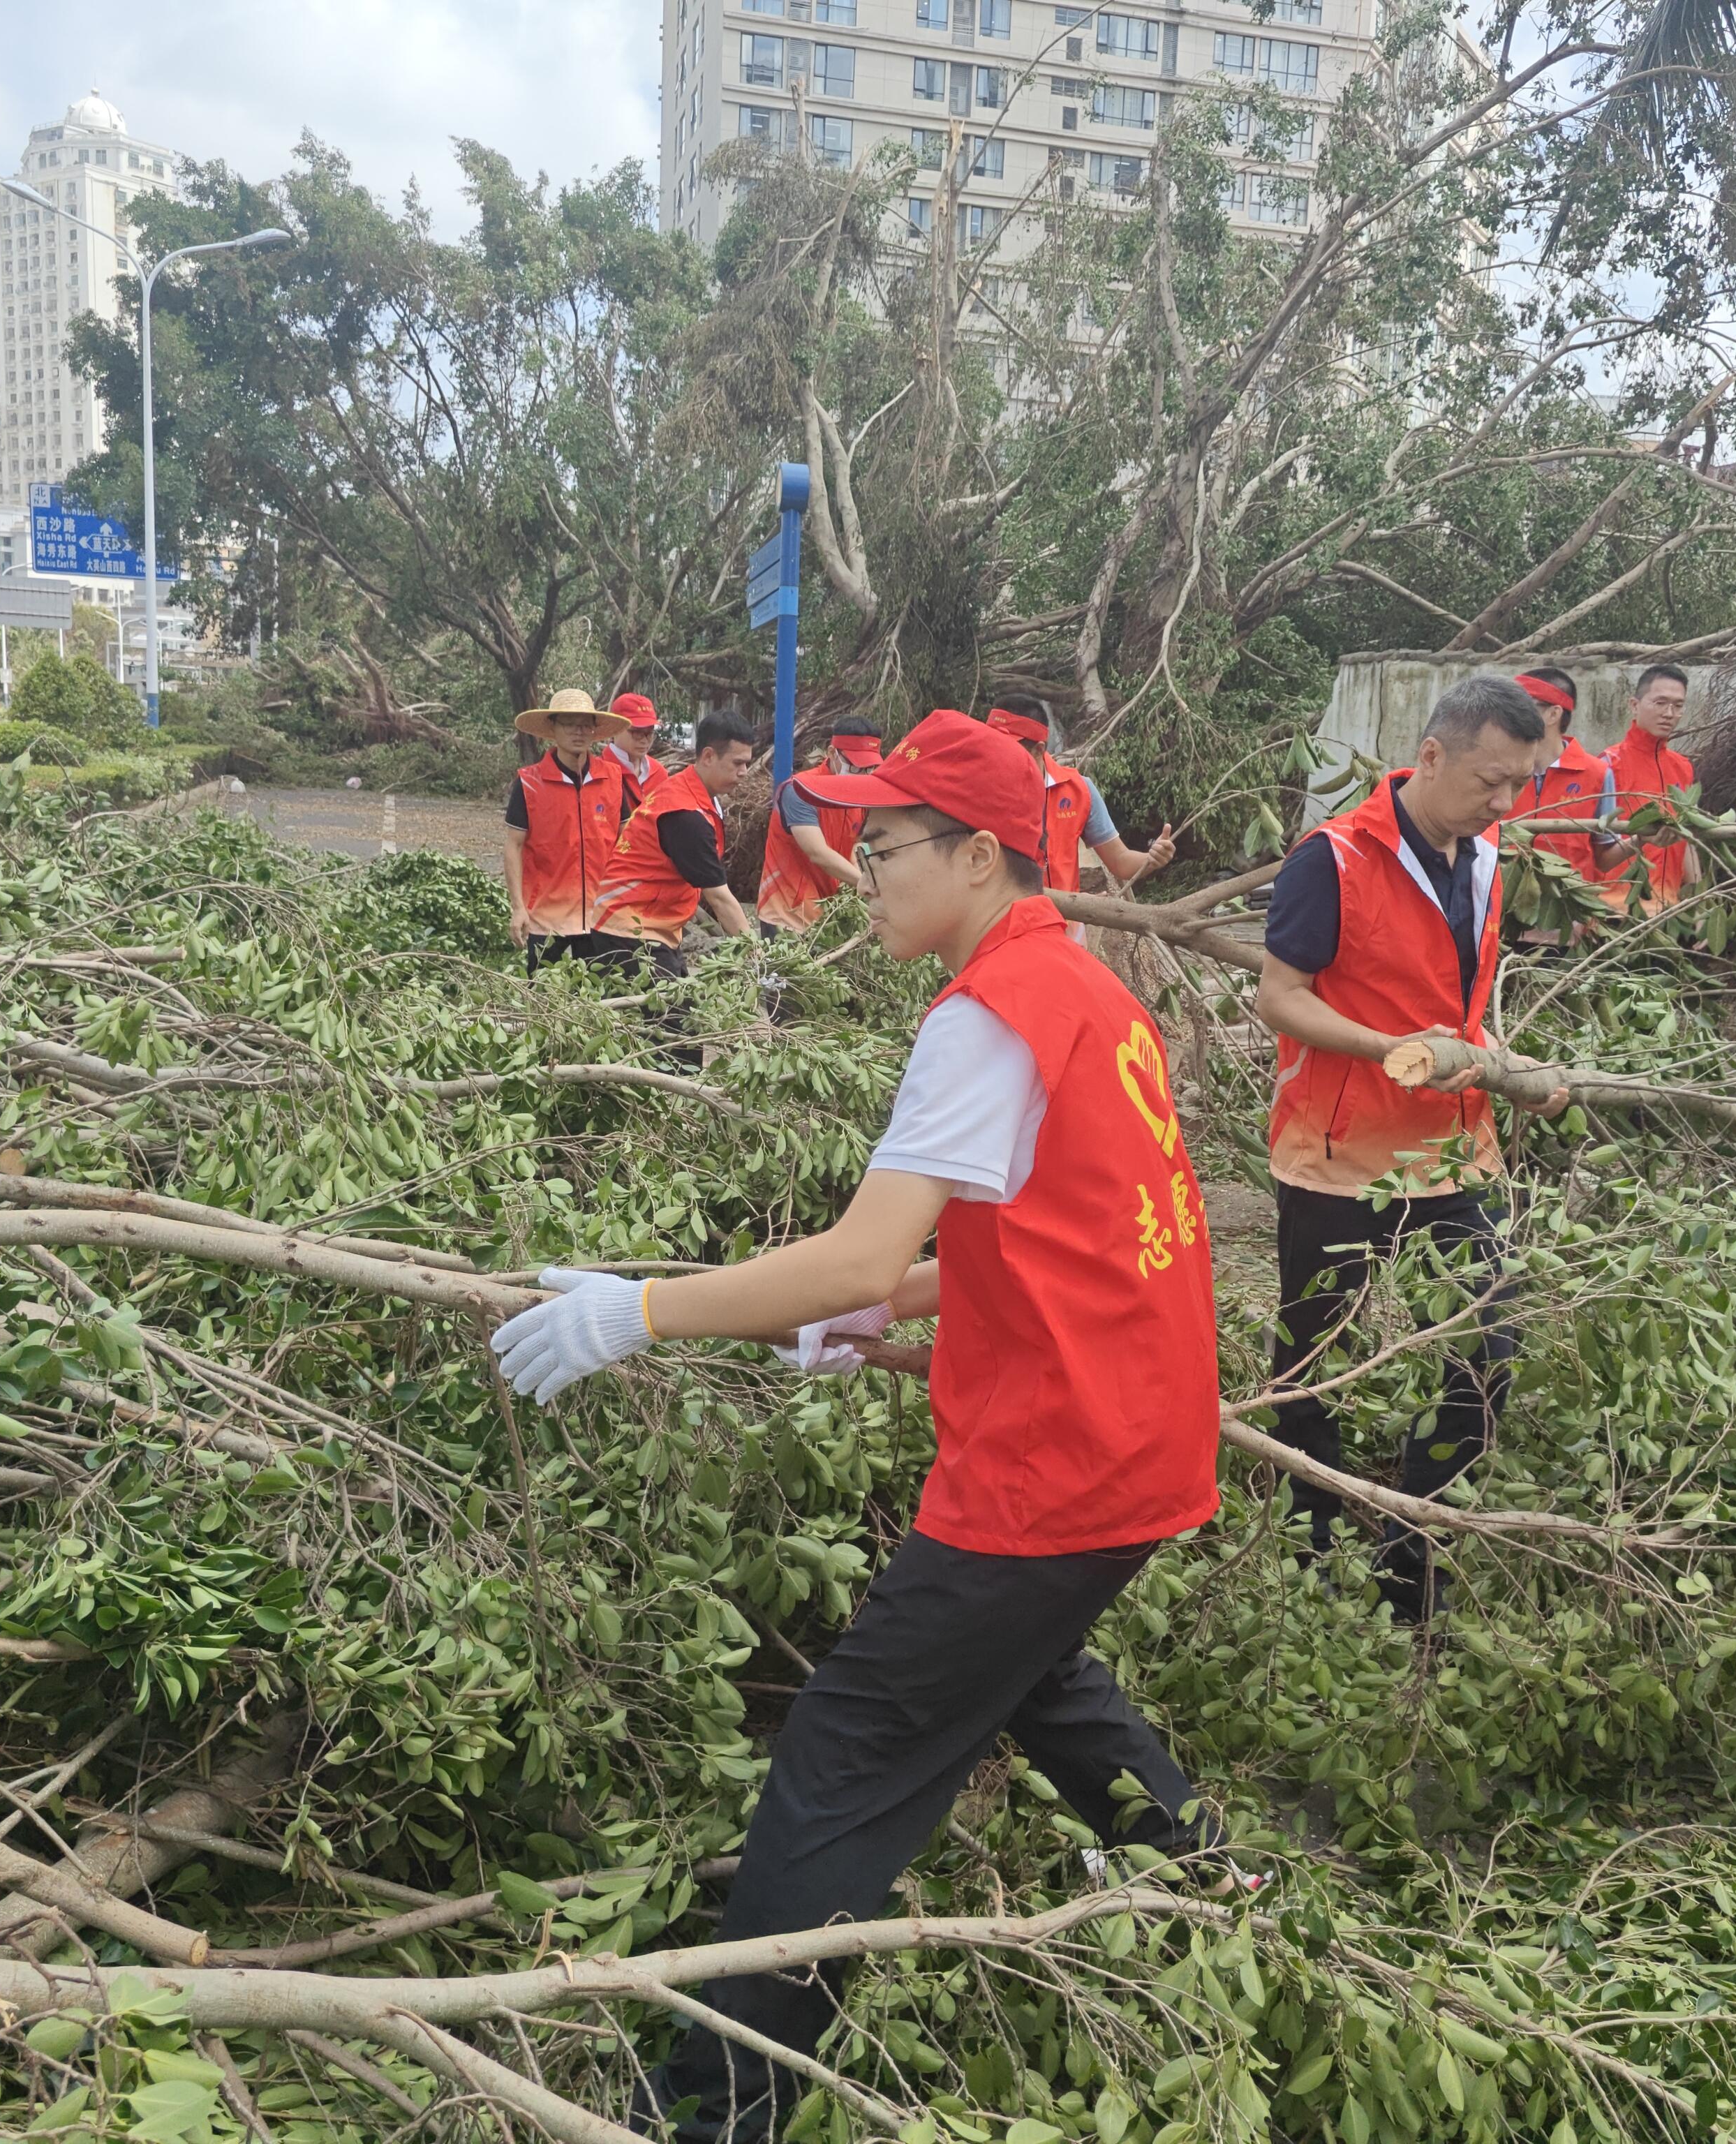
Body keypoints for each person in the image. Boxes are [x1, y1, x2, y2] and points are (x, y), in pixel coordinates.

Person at [491, 710, 1227, 2144]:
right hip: (1140, 1441)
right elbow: (1052, 1243)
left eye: (879, 846)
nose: (849, 867)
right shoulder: (1081, 990)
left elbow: (845, 1250)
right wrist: (883, 1325)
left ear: (974, 854)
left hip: (1053, 1462)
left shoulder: (984, 1017)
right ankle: (1212, 1885)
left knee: (843, 1753)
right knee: (1026, 1666)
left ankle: (716, 2104)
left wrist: (641, 1308)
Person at [1252, 674, 1568, 1623]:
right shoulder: (1334, 860)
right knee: (1315, 1346)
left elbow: (1454, 999)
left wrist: (1504, 1067)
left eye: (1522, 783)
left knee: (1488, 1344)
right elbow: (1281, 996)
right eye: (1490, 780)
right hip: (1340, 1149)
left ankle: (1412, 1542)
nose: (1505, 802)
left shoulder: (1487, 854)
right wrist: (1394, 1051)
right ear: (1430, 757)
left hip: (1456, 1151)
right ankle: (1311, 1530)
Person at [588, 707, 760, 979]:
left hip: (656, 927)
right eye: (738, 763)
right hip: (629, 930)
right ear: (708, 756)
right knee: (677, 1020)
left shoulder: (696, 796)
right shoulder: (685, 814)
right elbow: (719, 898)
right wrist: (759, 958)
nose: (744, 772)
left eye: (747, 763)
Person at [984, 700, 1177, 902]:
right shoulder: (977, 791)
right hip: (1004, 923)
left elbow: (1120, 861)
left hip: (1067, 923)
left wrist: (1152, 859)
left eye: (1008, 749)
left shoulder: (1079, 790)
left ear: (1039, 750)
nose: (997, 756)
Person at [500, 688, 632, 971]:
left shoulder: (612, 779)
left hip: (601, 915)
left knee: (601, 1001)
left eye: (586, 725)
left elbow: (629, 841)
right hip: (546, 918)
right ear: (553, 727)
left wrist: (630, 899)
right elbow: (514, 846)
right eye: (569, 724)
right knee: (546, 1002)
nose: (578, 732)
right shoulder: (529, 783)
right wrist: (518, 907)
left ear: (595, 730)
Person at [1497, 668, 1623, 938]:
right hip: (1502, 923)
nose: (1509, 716)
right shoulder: (1499, 769)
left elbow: (1604, 858)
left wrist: (1641, 839)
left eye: (1522, 706)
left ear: (1553, 714)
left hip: (1568, 926)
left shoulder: (1597, 774)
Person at [755, 714, 885, 935]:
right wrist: (870, 885)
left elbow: (853, 845)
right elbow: (818, 853)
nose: (863, 775)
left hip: (826, 917)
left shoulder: (857, 797)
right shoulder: (801, 790)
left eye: (869, 769)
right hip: (786, 914)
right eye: (856, 767)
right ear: (832, 753)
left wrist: (860, 886)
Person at [1601, 664, 1696, 909]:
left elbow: (1685, 836)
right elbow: (1589, 844)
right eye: (1660, 703)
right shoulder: (1609, 765)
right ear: (1634, 705)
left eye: (1678, 705)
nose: (1669, 713)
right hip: (1616, 910)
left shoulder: (1682, 768)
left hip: (1669, 908)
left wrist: (1699, 899)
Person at [609, 692, 670, 803]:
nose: (644, 740)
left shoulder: (659, 773)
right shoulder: (599, 774)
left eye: (650, 733)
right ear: (615, 729)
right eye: (637, 733)